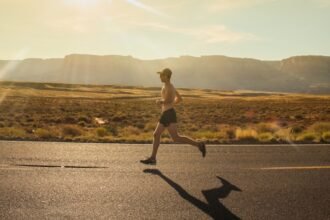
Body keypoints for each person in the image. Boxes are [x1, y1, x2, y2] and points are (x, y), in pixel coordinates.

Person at [140, 68, 206, 165]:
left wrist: (160, 101)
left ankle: (199, 144)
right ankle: (153, 158)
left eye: (161, 75)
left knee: (171, 137)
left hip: (169, 114)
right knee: (163, 135)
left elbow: (168, 100)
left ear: (166, 76)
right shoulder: (167, 86)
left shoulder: (170, 87)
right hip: (167, 113)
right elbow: (179, 99)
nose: (160, 77)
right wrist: (170, 104)